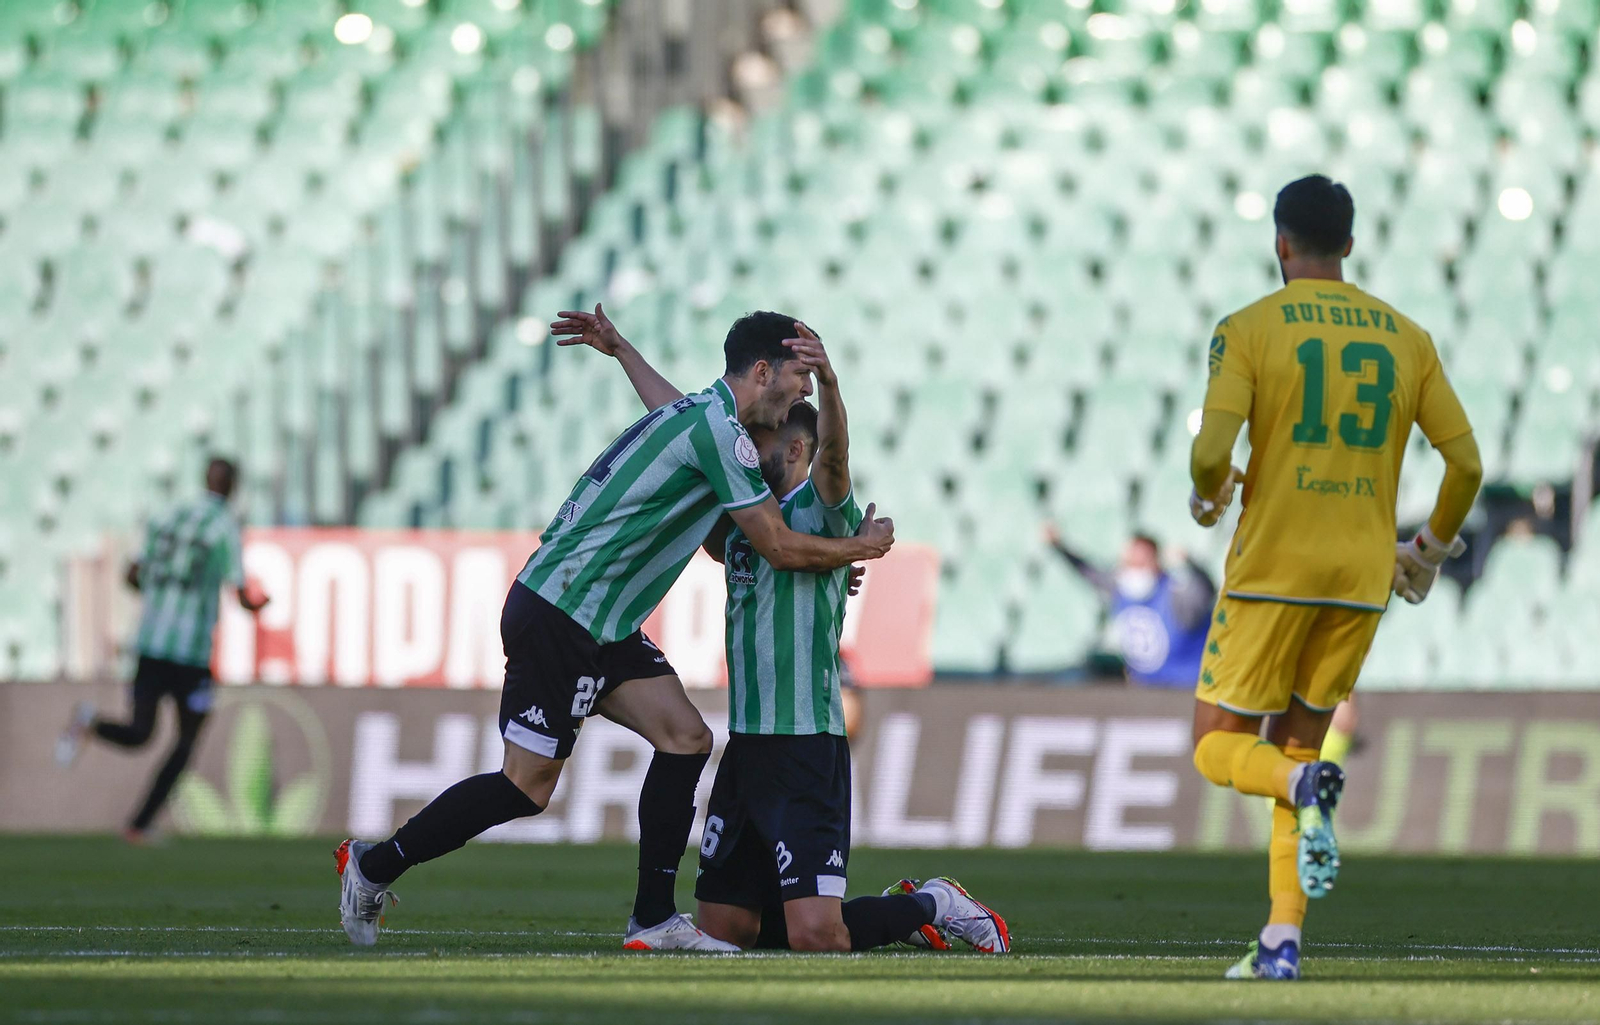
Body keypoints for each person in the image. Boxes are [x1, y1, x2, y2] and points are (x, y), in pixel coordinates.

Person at [335, 307, 897, 951]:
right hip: (566, 609)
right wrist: (857, 548)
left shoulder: (703, 419)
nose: (802, 392)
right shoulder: (723, 434)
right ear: (763, 371)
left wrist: (624, 349)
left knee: (686, 738)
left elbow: (673, 413)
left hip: (603, 621)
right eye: (798, 377)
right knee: (527, 786)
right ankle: (372, 867)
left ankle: (653, 919)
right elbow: (775, 546)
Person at [599, 318, 1010, 954]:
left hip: (805, 749)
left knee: (818, 935)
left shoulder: (818, 509)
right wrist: (626, 352)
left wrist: (831, 385)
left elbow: (838, 460)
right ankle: (858, 915)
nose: (742, 445)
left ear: (792, 450)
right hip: (748, 749)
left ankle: (932, 903)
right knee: (725, 931)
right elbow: (683, 422)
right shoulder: (742, 521)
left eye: (759, 438)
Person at [1186, 175, 1482, 980]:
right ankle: (1282, 941)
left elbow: (1213, 455)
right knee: (1302, 739)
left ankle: (1299, 783)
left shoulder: (1247, 328)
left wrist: (1210, 492)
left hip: (1272, 569)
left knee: (1219, 747)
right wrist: (1424, 549)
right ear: (1348, 245)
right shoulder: (1406, 337)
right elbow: (1466, 463)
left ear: (1281, 242)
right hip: (1360, 575)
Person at [55, 457, 270, 843]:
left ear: (204, 479)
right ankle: (138, 824)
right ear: (233, 487)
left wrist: (161, 594)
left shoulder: (166, 516)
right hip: (190, 652)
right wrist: (258, 605)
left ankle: (89, 723)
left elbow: (132, 574)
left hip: (152, 642)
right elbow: (240, 593)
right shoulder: (224, 527)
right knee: (186, 741)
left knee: (140, 733)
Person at [1039, 525, 1216, 686]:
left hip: (1186, 689)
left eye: (1142, 562)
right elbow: (1088, 571)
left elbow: (1207, 590)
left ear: (1157, 562)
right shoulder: (1119, 587)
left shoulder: (1176, 594)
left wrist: (1191, 563)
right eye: (1131, 562)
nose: (1135, 569)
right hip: (1145, 690)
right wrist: (1058, 546)